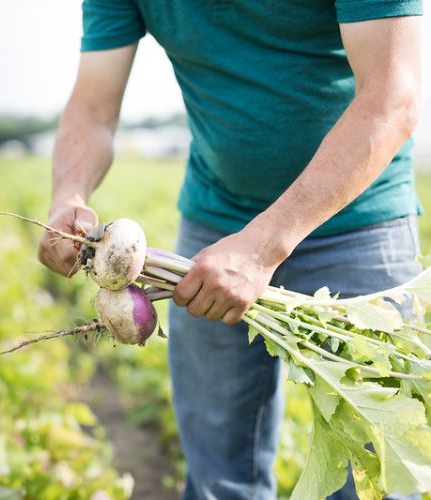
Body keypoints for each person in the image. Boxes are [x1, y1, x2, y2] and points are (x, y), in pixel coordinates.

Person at [37, 1, 424, 499]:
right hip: (216, 220)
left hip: (359, 221)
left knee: (376, 468)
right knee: (219, 472)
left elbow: (392, 96)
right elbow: (92, 110)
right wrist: (69, 194)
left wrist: (261, 248)